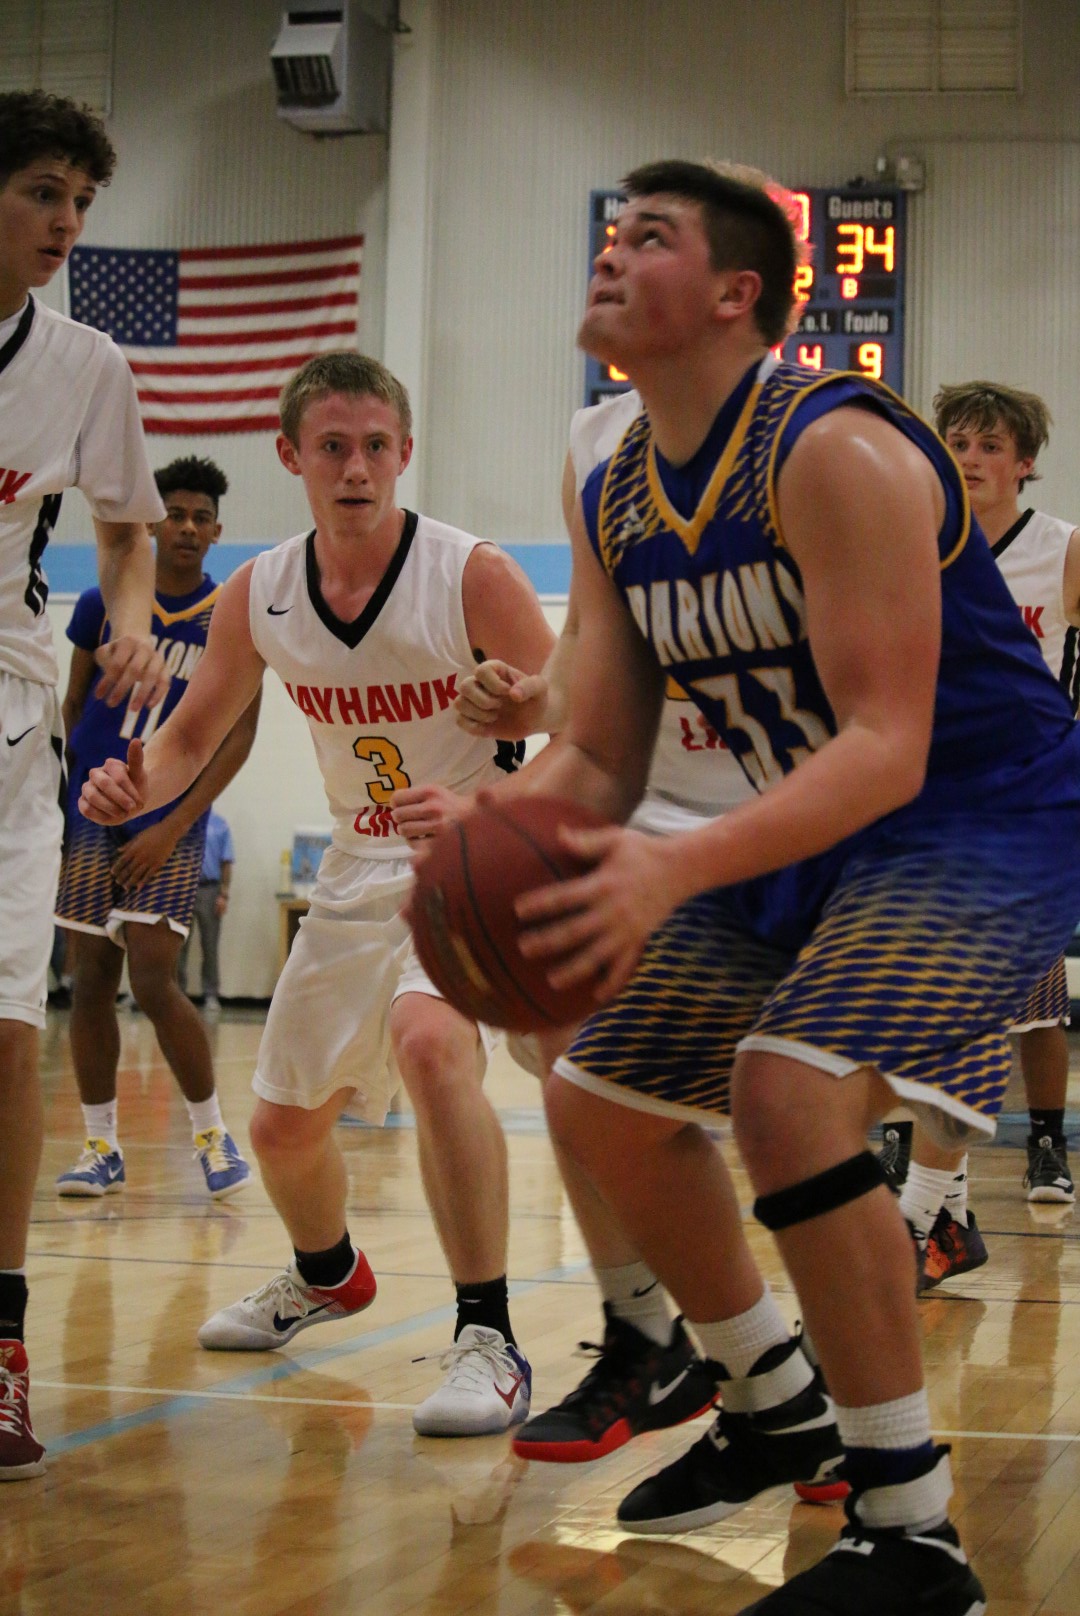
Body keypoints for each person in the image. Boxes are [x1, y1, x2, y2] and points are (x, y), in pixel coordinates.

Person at [468, 159, 1080, 1611]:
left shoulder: (833, 448)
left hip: (986, 816)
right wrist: (481, 835)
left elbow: (886, 743)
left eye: (650, 237)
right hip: (818, 824)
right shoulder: (617, 490)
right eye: (610, 232)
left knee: (785, 1091)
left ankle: (913, 1533)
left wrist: (668, 862)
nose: (610, 254)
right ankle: (772, 1405)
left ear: (737, 294)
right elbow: (599, 753)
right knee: (598, 1097)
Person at [79, 351, 557, 1438]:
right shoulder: (262, 590)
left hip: (474, 858)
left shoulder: (470, 573)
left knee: (433, 1047)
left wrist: (498, 764)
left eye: (376, 446)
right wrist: (135, 780)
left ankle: (489, 1335)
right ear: (291, 456)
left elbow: (585, 717)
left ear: (406, 452)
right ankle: (328, 1272)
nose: (356, 468)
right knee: (283, 1129)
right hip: (355, 865)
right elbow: (191, 734)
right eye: (333, 447)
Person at [0, 89, 169, 1481]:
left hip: (7, 721)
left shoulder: (87, 365)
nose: (66, 223)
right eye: (43, 192)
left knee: (10, 1033)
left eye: (81, 202)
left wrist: (131, 617)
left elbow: (124, 532)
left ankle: (1, 1355)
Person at [892, 382, 1080, 1288]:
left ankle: (928, 1215)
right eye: (957, 442)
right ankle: (946, 1214)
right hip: (929, 793)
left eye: (990, 445)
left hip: (1027, 798)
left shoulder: (1061, 551)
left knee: (993, 1001)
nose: (970, 458)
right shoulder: (912, 542)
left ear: (1024, 463)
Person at [54, 456, 258, 1201]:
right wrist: (73, 797)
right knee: (89, 982)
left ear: (217, 532)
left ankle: (211, 1135)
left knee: (151, 976)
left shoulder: (229, 616)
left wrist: (171, 828)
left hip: (169, 817)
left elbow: (238, 736)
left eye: (202, 517)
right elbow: (74, 704)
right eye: (174, 514)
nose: (187, 527)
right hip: (91, 811)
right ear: (150, 524)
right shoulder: (99, 604)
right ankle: (100, 1145)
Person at [179, 805, 236, 1013]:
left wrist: (224, 894)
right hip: (183, 888)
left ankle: (211, 994)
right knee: (179, 945)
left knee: (210, 945)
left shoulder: (220, 825)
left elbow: (227, 861)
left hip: (209, 889)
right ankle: (177, 993)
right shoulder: (182, 820)